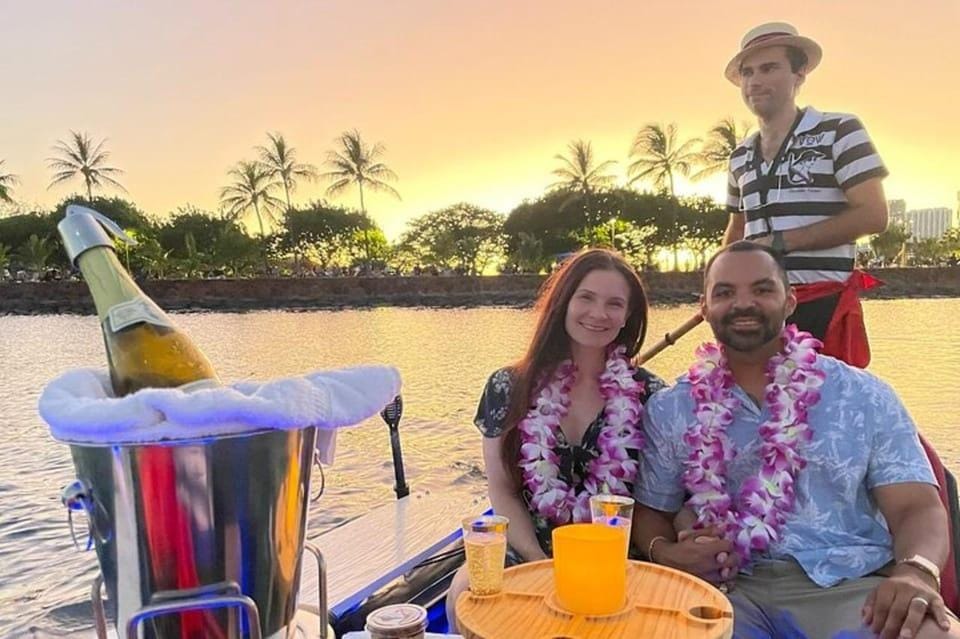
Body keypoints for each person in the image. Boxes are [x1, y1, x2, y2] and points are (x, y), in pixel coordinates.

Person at [633, 241, 959, 639]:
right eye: (725, 292)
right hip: (724, 589)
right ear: (705, 308)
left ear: (790, 301)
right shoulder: (671, 408)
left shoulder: (863, 395)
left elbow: (917, 508)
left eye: (762, 289)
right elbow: (651, 511)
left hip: (850, 587)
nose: (743, 303)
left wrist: (916, 571)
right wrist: (666, 553)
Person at [445, 247, 665, 630]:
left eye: (614, 304)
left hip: (619, 556)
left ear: (628, 316)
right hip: (529, 546)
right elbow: (502, 491)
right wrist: (537, 562)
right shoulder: (508, 386)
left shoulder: (650, 394)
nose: (599, 314)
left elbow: (658, 497)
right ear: (563, 302)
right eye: (586, 298)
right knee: (464, 594)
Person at [721, 22, 888, 368]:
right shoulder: (739, 156)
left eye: (769, 68)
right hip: (756, 311)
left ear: (799, 74)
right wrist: (717, 287)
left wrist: (781, 243)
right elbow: (738, 230)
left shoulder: (840, 131)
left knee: (826, 412)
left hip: (821, 306)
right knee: (754, 412)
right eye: (748, 72)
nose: (755, 81)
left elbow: (874, 214)